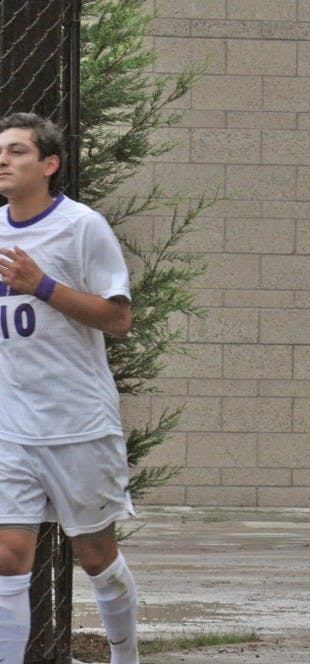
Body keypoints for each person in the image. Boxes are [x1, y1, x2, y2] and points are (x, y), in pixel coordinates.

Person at [0, 111, 138, 664]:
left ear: (49, 164)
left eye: (17, 151)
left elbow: (117, 318)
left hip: (76, 421)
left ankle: (125, 658)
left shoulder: (82, 226)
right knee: (9, 555)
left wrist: (43, 285)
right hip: (11, 424)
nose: (4, 159)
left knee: (96, 552)